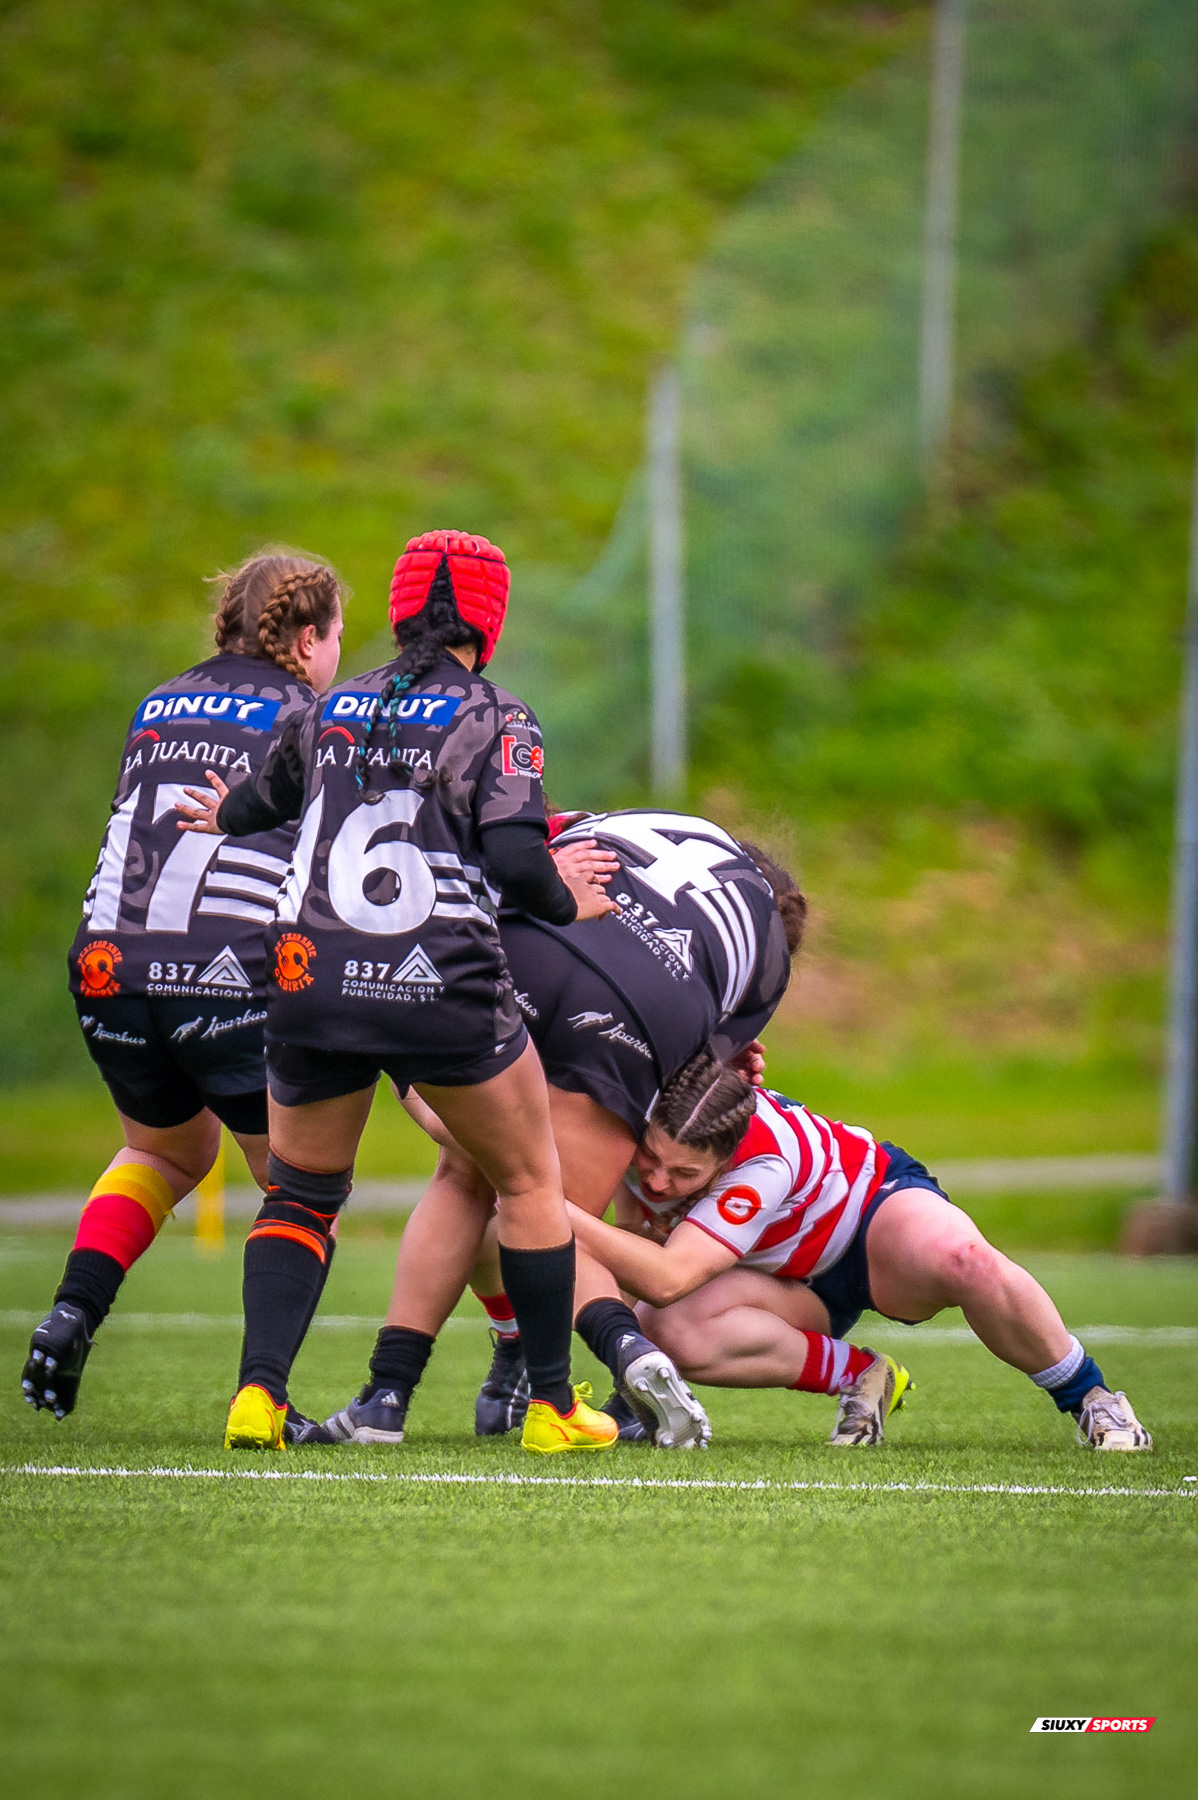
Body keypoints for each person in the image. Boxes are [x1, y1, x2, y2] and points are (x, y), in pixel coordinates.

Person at [179, 530, 622, 1455]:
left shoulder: (331, 704)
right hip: (440, 987)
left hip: (309, 979)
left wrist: (219, 812)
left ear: (399, 610)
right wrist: (569, 898)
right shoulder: (497, 715)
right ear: (488, 621)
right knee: (529, 1179)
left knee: (299, 1194)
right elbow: (513, 858)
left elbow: (262, 802)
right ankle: (551, 1407)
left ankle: (257, 1398)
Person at [301, 814, 805, 1449]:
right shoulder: (766, 957)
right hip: (643, 1003)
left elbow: (512, 849)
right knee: (546, 1205)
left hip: (534, 937)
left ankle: (385, 1396)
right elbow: (695, 1080)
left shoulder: (651, 822)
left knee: (462, 1175)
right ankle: (611, 1362)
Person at [21, 550, 346, 1421]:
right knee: (300, 1185)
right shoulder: (310, 713)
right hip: (225, 970)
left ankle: (71, 1310)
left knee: (167, 1151)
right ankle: (261, 1398)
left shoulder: (159, 702)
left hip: (108, 964)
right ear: (309, 636)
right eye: (337, 639)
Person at [567, 1053, 1154, 1452]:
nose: (661, 1180)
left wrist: (553, 1209)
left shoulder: (764, 1163)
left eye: (684, 1172)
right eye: (651, 1159)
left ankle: (1093, 1399)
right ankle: (863, 1377)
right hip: (790, 1272)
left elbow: (667, 1275)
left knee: (964, 1260)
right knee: (670, 1333)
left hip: (869, 1215)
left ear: (726, 1159)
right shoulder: (651, 1111)